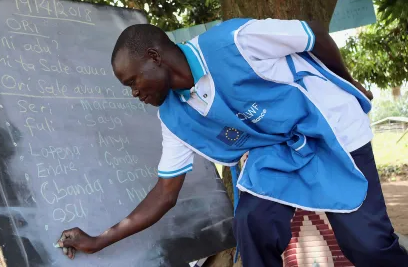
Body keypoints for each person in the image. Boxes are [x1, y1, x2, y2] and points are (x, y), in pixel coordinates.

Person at [57, 18, 408, 266]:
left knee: (368, 247)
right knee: (252, 222)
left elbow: (312, 32)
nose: (134, 92)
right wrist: (99, 239)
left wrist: (349, 83)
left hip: (331, 126)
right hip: (278, 149)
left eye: (132, 81)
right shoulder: (174, 115)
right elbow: (166, 193)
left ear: (154, 57)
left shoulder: (234, 41)